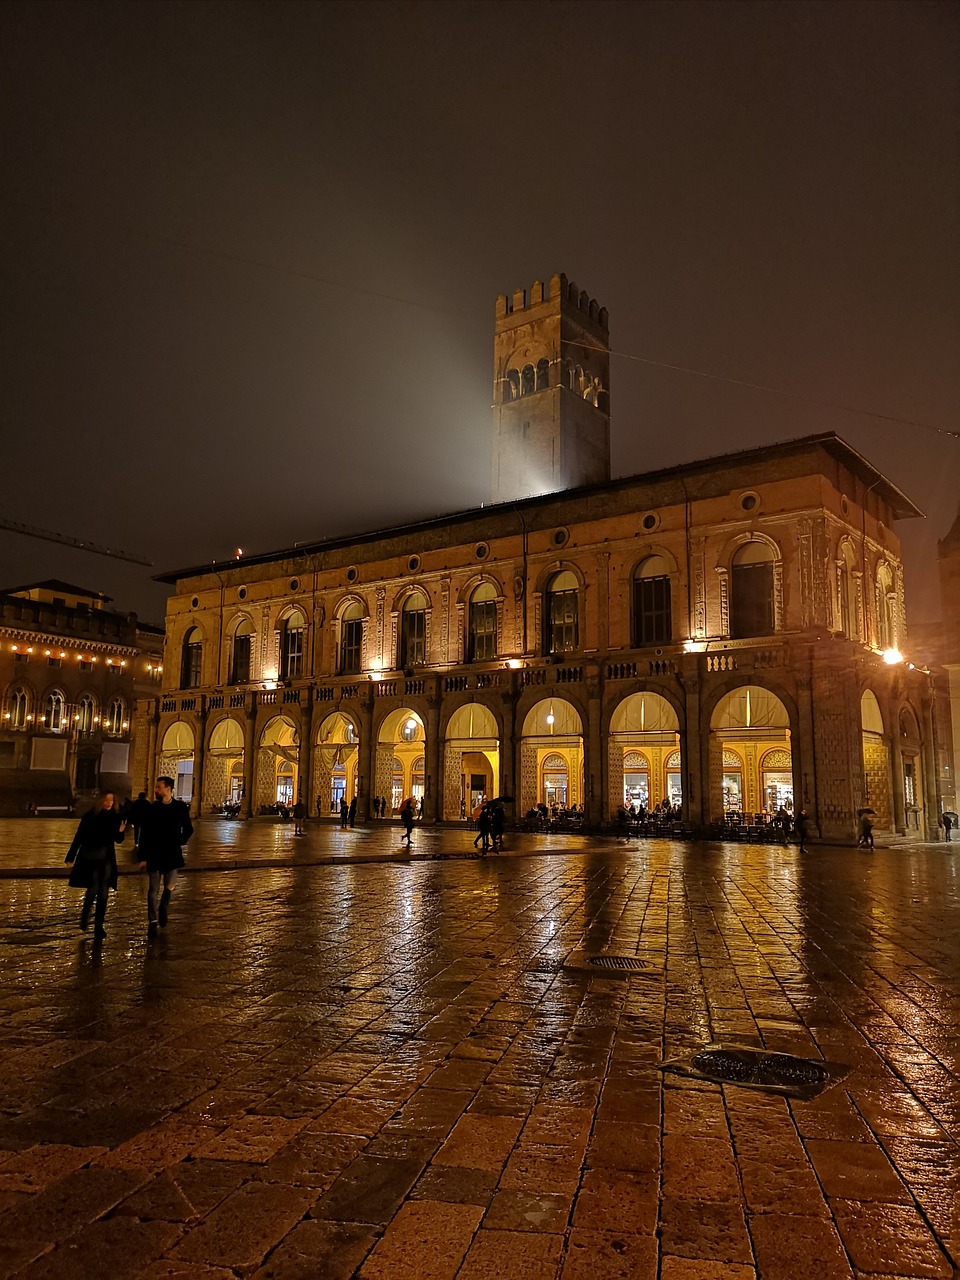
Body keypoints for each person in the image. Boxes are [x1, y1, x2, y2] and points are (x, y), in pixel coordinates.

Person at [64, 790, 126, 940]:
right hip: (90, 857)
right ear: (100, 801)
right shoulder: (90, 816)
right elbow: (79, 837)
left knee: (103, 891)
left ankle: (99, 925)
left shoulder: (116, 817)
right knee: (92, 889)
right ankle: (86, 913)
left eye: (112, 800)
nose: (109, 803)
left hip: (106, 858)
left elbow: (118, 840)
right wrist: (70, 856)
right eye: (107, 800)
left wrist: (120, 831)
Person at [138, 776, 194, 939]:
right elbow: (145, 833)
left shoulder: (180, 807)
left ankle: (164, 904)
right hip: (154, 852)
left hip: (171, 852)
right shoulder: (152, 808)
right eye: (156, 787)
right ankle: (152, 921)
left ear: (168, 789)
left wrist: (180, 840)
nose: (155, 790)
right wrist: (142, 856)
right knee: (152, 889)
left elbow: (188, 829)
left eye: (158, 787)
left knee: (170, 883)